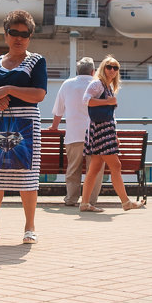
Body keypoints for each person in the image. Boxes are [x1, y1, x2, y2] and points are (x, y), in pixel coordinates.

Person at [0, 10, 47, 245]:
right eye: (13, 33)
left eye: (24, 34)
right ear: (5, 34)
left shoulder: (37, 61)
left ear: (30, 37)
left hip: (26, 125)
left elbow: (39, 93)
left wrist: (7, 90)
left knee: (27, 175)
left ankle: (29, 227)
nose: (19, 38)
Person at [78, 56, 143, 213]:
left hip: (104, 129)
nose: (112, 70)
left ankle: (85, 203)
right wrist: (108, 102)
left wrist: (114, 135)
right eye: (109, 67)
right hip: (101, 129)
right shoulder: (97, 84)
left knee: (94, 168)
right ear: (103, 68)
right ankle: (126, 202)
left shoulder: (107, 86)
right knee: (116, 165)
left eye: (116, 68)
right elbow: (86, 100)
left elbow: (109, 115)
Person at [50, 57, 102, 208]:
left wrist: (54, 127)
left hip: (74, 135)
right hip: (96, 135)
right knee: (95, 170)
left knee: (73, 169)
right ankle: (90, 201)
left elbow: (59, 110)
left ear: (77, 71)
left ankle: (71, 199)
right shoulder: (99, 85)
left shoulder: (67, 84)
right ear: (93, 71)